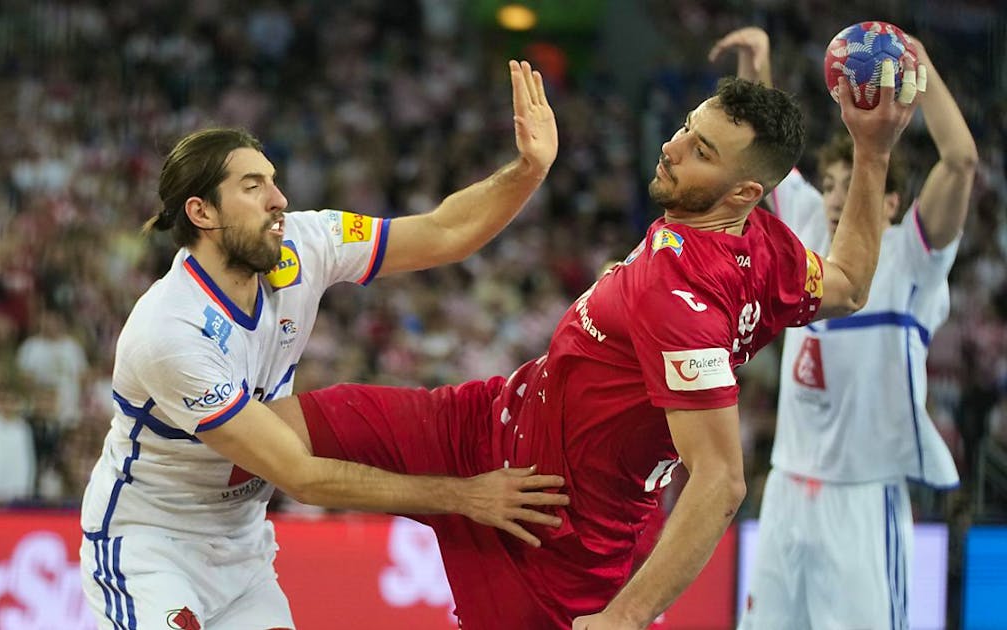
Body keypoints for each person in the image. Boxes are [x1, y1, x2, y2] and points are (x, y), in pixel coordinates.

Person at [269, 62, 925, 628]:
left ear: (744, 192)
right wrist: (872, 153)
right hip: (480, 422)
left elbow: (722, 480)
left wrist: (625, 616)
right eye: (687, 128)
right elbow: (847, 283)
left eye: (701, 151)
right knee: (268, 430)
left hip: (547, 530)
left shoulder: (681, 296)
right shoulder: (763, 246)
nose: (672, 147)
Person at [79, 60, 569, 630]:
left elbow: (443, 231)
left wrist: (530, 169)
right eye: (252, 186)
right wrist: (465, 497)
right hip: (151, 547)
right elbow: (302, 476)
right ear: (201, 212)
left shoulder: (305, 242)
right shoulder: (170, 331)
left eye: (273, 179)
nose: (278, 198)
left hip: (242, 547)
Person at [711, 27, 976, 629]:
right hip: (785, 490)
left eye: (854, 183)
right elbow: (767, 158)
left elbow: (960, 161)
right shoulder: (806, 232)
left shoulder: (913, 258)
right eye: (829, 184)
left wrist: (921, 65)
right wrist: (760, 65)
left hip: (862, 497)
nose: (835, 196)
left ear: (891, 202)